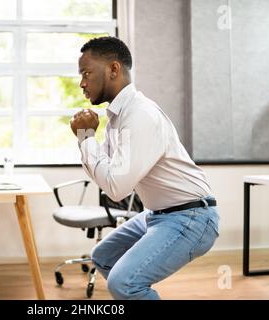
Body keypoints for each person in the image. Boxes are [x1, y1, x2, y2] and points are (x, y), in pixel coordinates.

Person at [70, 36, 219, 300]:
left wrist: (85, 136)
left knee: (124, 283)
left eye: (86, 73)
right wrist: (86, 137)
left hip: (191, 217)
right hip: (156, 214)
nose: (82, 82)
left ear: (113, 69)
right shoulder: (118, 116)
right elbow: (103, 172)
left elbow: (115, 188)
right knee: (103, 257)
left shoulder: (140, 114)